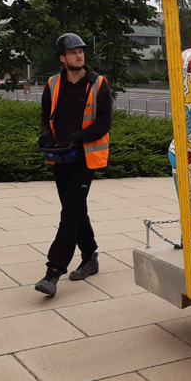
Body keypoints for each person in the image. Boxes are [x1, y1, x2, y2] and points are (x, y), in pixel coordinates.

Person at [35, 33, 112, 297]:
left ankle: (53, 272)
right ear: (62, 58)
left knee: (69, 214)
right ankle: (90, 257)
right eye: (73, 52)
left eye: (81, 51)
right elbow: (46, 116)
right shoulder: (53, 83)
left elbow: (104, 123)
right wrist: (46, 133)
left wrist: (77, 137)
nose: (79, 55)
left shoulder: (99, 84)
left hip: (84, 158)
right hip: (60, 157)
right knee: (76, 210)